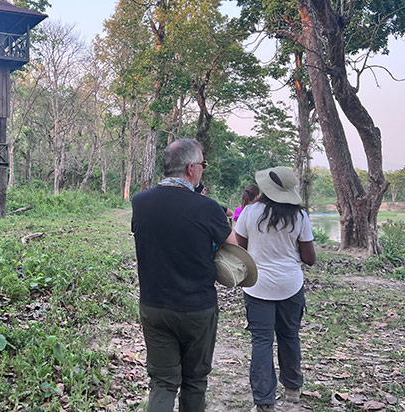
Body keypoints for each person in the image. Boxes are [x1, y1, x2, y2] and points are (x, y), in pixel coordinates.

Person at [131, 139, 231, 412]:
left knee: (162, 382)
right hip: (197, 309)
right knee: (195, 380)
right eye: (202, 165)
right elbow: (235, 246)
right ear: (190, 169)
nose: (203, 170)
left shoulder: (140, 203)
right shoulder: (208, 207)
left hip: (154, 306)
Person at [233, 167, 316, 412]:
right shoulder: (300, 217)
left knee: (262, 342)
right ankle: (292, 388)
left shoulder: (250, 212)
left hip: (257, 287)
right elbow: (309, 258)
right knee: (289, 336)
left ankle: (263, 402)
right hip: (290, 286)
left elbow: (240, 247)